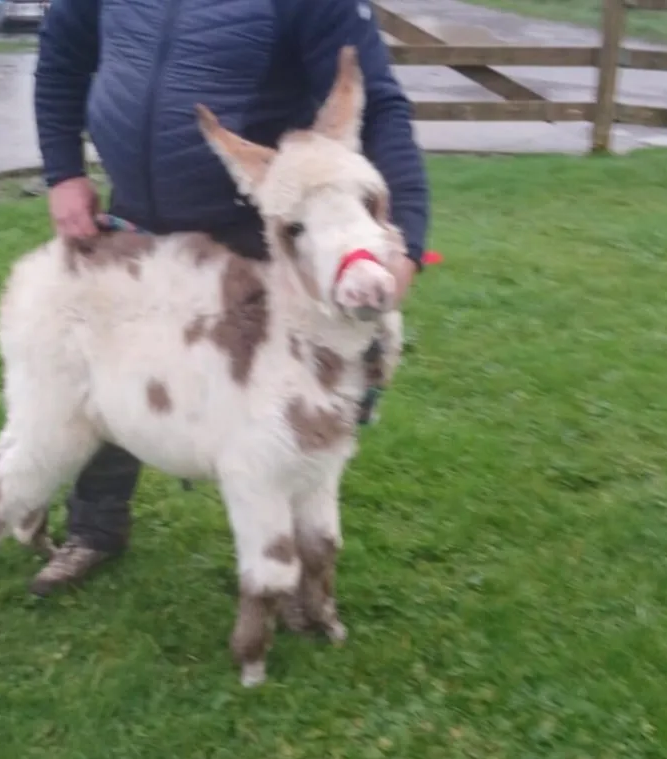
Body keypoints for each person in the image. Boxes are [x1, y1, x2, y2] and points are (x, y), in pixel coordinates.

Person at [28, 0, 431, 595]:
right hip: (138, 215)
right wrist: (63, 171)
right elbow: (62, 61)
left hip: (253, 232)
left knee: (285, 405)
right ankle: (95, 529)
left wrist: (407, 244)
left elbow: (381, 109)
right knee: (113, 373)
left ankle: (294, 564)